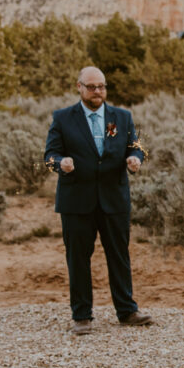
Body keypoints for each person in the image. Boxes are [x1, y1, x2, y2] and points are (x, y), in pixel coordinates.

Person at [44, 66, 152, 335]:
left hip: (114, 198)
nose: (97, 92)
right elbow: (49, 155)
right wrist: (61, 163)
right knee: (78, 258)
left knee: (119, 255)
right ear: (79, 87)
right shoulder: (63, 118)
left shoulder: (121, 117)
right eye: (91, 87)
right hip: (76, 201)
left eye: (101, 86)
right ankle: (82, 316)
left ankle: (127, 310)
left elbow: (136, 146)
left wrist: (135, 159)